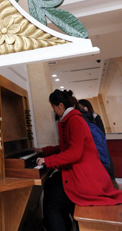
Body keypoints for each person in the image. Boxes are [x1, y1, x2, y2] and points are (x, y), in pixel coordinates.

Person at [36, 89, 122, 231]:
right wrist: (44, 152)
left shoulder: (75, 120)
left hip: (85, 177)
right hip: (83, 173)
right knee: (51, 184)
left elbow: (74, 153)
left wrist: (48, 161)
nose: (54, 111)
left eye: (54, 108)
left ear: (61, 106)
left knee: (52, 200)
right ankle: (67, 224)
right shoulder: (73, 119)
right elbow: (65, 147)